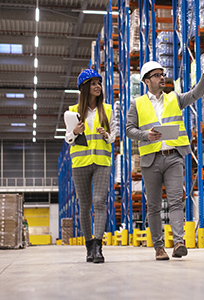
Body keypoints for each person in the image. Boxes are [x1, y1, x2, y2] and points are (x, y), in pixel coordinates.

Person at [126, 58, 204, 260]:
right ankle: (159, 247)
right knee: (154, 206)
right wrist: (145, 135)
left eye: (162, 74)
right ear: (146, 81)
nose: (162, 78)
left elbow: (195, 94)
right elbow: (129, 130)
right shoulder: (137, 104)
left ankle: (178, 242)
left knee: (176, 201)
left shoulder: (173, 98)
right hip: (150, 160)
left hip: (174, 157)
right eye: (157, 75)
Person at [64, 69, 116, 263]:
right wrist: (75, 132)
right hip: (80, 163)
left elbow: (112, 138)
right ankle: (88, 247)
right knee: (84, 206)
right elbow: (68, 139)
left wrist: (106, 135)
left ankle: (98, 247)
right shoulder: (72, 112)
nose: (97, 87)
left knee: (99, 201)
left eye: (99, 83)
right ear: (84, 88)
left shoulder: (108, 110)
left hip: (102, 162)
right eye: (93, 83)